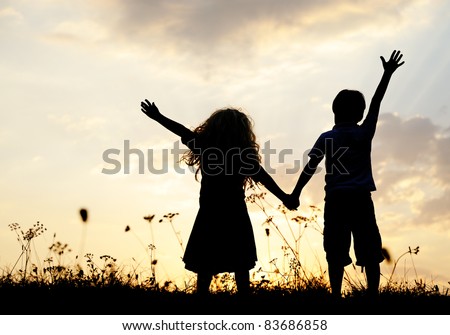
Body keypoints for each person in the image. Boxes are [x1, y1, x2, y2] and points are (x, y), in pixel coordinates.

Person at [284, 50, 405, 298]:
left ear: (334, 111)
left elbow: (310, 168)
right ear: (360, 114)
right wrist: (387, 75)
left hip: (337, 201)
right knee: (370, 249)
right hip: (361, 199)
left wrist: (295, 193)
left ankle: (336, 295)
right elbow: (376, 102)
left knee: (335, 251)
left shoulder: (327, 137)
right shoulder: (364, 133)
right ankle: (372, 294)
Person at [141, 101, 290, 295]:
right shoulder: (243, 156)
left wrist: (158, 117)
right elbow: (264, 178)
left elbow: (182, 131)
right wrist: (286, 198)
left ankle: (202, 301)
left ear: (213, 128)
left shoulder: (206, 147)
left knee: (205, 265)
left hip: (209, 214)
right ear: (243, 133)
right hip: (235, 214)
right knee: (240, 264)